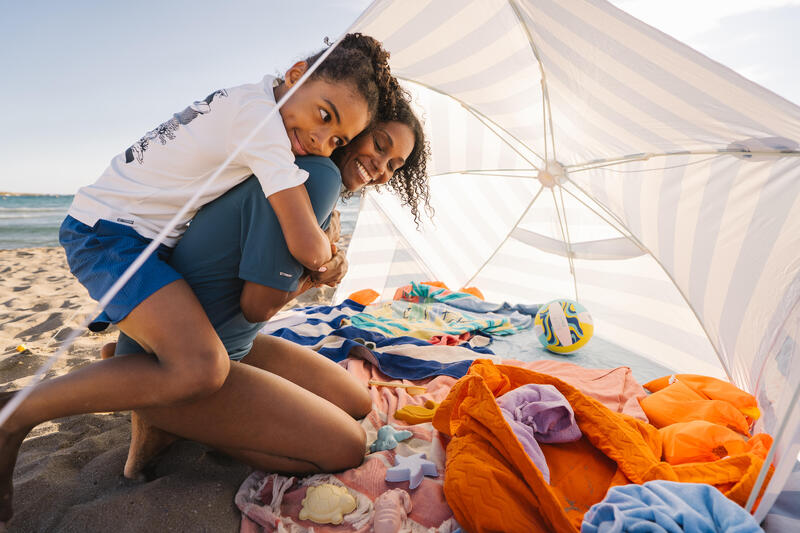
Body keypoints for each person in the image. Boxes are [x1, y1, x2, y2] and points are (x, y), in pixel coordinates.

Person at [0, 33, 397, 524]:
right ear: (296, 75)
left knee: (195, 358)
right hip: (112, 233)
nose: (321, 141)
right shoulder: (263, 128)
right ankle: (18, 410)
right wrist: (326, 253)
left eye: (336, 138)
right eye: (324, 116)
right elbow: (305, 244)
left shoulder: (255, 102)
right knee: (202, 368)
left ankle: (133, 379)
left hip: (138, 234)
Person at [102, 97, 430, 480]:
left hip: (225, 343)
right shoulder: (317, 176)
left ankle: (142, 380)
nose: (381, 167)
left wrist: (326, 260)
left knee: (357, 401)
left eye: (394, 165)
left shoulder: (304, 174)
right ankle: (163, 416)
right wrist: (317, 276)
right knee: (347, 447)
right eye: (379, 144)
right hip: (184, 365)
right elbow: (257, 306)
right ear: (354, 128)